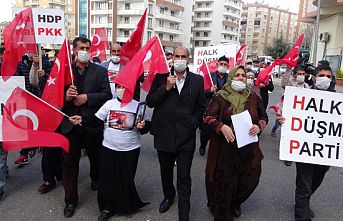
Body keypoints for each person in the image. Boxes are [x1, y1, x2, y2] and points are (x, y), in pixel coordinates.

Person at [146, 47, 206, 221]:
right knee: (166, 172)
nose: (180, 59)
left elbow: (201, 106)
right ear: (172, 58)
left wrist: (193, 123)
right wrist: (166, 87)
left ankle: (184, 212)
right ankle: (168, 196)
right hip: (164, 134)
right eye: (177, 56)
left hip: (186, 137)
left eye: (183, 56)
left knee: (184, 176)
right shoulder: (161, 77)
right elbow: (150, 102)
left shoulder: (197, 80)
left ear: (188, 59)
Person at [203, 66, 268, 221]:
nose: (240, 78)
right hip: (225, 148)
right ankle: (223, 212)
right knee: (226, 183)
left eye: (243, 75)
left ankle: (235, 202)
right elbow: (207, 117)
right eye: (237, 75)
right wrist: (221, 126)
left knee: (250, 179)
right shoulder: (221, 96)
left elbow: (264, 117)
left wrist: (258, 126)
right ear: (231, 78)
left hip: (248, 147)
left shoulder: (253, 97)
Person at [59, 36, 112, 218]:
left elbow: (106, 95)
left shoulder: (99, 71)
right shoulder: (64, 71)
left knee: (96, 159)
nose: (85, 51)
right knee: (69, 165)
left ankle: (95, 178)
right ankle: (70, 200)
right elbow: (52, 97)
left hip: (91, 124)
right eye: (81, 47)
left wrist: (87, 98)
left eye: (87, 48)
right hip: (69, 125)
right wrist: (66, 97)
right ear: (74, 50)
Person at [278, 65, 334, 221]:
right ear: (315, 78)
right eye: (322, 75)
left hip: (325, 152)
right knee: (304, 185)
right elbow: (286, 112)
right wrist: (284, 119)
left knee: (316, 181)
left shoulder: (337, 100)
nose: (325, 79)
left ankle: (303, 202)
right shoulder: (301, 96)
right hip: (304, 149)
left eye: (329, 76)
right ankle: (302, 214)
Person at [95, 83, 150, 221]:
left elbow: (146, 127)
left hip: (130, 149)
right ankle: (107, 207)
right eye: (119, 86)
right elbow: (96, 120)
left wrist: (142, 126)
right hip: (109, 148)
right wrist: (82, 119)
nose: (121, 89)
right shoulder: (109, 104)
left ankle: (125, 205)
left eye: (125, 86)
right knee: (108, 179)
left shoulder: (138, 106)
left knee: (126, 178)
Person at [29, 53, 63, 194]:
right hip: (46, 117)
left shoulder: (65, 74)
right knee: (48, 151)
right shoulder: (43, 74)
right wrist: (35, 66)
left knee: (63, 149)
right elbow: (33, 82)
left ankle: (63, 176)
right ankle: (48, 179)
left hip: (62, 116)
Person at [14, 53, 52, 165]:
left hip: (41, 98)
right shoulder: (21, 64)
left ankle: (45, 147)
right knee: (26, 126)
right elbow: (16, 78)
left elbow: (52, 78)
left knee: (42, 125)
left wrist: (44, 74)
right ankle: (24, 153)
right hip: (25, 98)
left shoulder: (45, 62)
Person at [199, 56, 230, 156]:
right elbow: (200, 92)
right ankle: (203, 146)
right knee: (205, 131)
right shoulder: (208, 76)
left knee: (218, 130)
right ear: (217, 64)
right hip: (209, 108)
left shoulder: (230, 79)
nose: (223, 66)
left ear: (228, 66)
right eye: (221, 64)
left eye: (225, 65)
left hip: (223, 109)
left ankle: (216, 150)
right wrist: (210, 91)